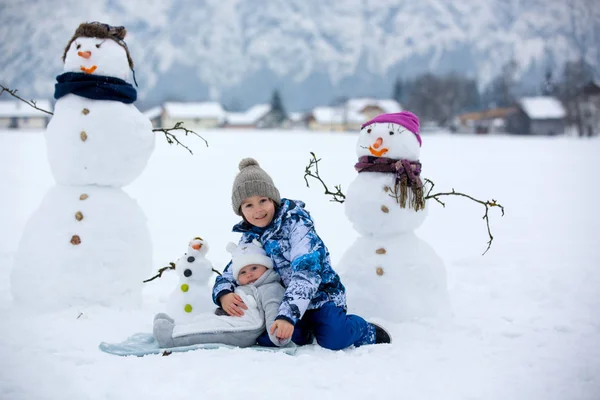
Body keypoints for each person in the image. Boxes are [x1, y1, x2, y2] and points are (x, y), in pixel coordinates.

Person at [212, 158, 391, 350]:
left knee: (334, 338)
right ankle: (303, 332)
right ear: (240, 211)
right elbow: (232, 271)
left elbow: (307, 272)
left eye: (263, 200)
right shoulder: (249, 238)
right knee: (269, 337)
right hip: (282, 303)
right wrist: (223, 294)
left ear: (273, 199)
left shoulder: (297, 225)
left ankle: (364, 329)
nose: (258, 210)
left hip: (320, 297)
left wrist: (287, 315)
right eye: (248, 205)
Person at [153, 239, 290, 348]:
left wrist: (277, 333)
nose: (249, 274)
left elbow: (273, 308)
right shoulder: (249, 286)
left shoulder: (271, 287)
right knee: (204, 319)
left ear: (266, 267)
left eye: (254, 268)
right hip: (232, 318)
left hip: (244, 326)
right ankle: (177, 326)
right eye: (243, 272)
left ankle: (172, 338)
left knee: (210, 330)